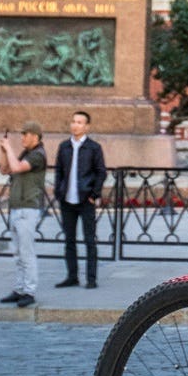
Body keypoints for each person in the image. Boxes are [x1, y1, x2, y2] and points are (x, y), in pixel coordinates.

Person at [53, 111, 106, 289]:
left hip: (85, 200)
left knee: (90, 240)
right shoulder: (64, 147)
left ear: (87, 127)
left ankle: (91, 279)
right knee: (69, 240)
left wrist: (94, 194)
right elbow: (59, 171)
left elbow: (101, 172)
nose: (75, 125)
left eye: (80, 122)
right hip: (67, 200)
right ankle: (72, 276)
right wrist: (58, 192)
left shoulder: (94, 148)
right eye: (73, 121)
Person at [0, 121, 47, 307]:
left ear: (35, 136)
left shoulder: (37, 155)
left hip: (28, 208)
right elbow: (5, 169)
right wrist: (4, 151)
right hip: (17, 207)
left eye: (25, 134)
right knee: (17, 253)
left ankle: (29, 291)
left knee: (26, 253)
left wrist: (9, 148)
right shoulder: (26, 154)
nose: (22, 138)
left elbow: (17, 168)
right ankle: (19, 289)